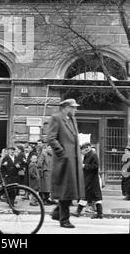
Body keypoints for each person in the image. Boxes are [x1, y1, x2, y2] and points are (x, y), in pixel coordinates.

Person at [47, 98, 85, 229]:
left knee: (71, 190)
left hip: (73, 160)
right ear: (66, 107)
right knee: (66, 190)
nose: (76, 110)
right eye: (73, 107)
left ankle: (57, 212)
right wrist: (62, 153)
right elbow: (51, 138)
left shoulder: (72, 120)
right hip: (64, 161)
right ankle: (64, 220)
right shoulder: (56, 118)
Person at [73, 143, 103, 219]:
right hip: (90, 179)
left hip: (92, 180)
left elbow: (95, 167)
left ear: (87, 148)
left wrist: (84, 166)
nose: (82, 152)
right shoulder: (88, 155)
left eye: (82, 150)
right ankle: (100, 214)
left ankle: (78, 212)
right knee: (95, 197)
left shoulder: (93, 155)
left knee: (86, 196)